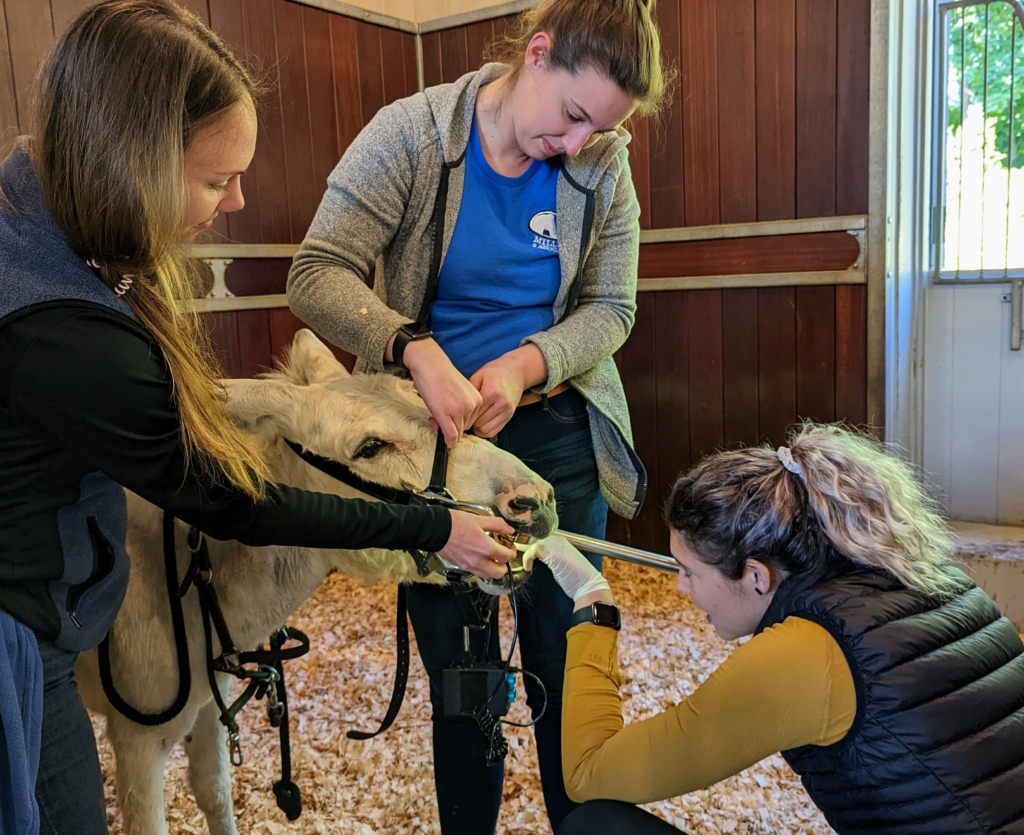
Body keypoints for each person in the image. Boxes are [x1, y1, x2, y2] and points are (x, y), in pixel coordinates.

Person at [0, 3, 519, 834]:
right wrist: (428, 527)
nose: (238, 200)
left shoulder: (36, 205)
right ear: (128, 159)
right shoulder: (69, 327)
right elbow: (232, 503)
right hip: (16, 622)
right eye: (215, 179)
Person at [286, 1, 666, 830]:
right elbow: (315, 274)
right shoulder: (412, 134)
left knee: (570, 665)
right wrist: (414, 348)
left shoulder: (603, 158)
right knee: (465, 682)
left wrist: (530, 361)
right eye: (570, 116)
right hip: (438, 446)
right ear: (536, 53)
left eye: (594, 131)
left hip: (556, 433)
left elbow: (612, 308)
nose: (574, 145)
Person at [531, 423, 1024, 835]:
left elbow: (587, 774)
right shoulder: (929, 575)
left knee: (594, 824)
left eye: (690, 571)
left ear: (756, 576)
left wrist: (592, 600)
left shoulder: (807, 652)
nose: (680, 588)